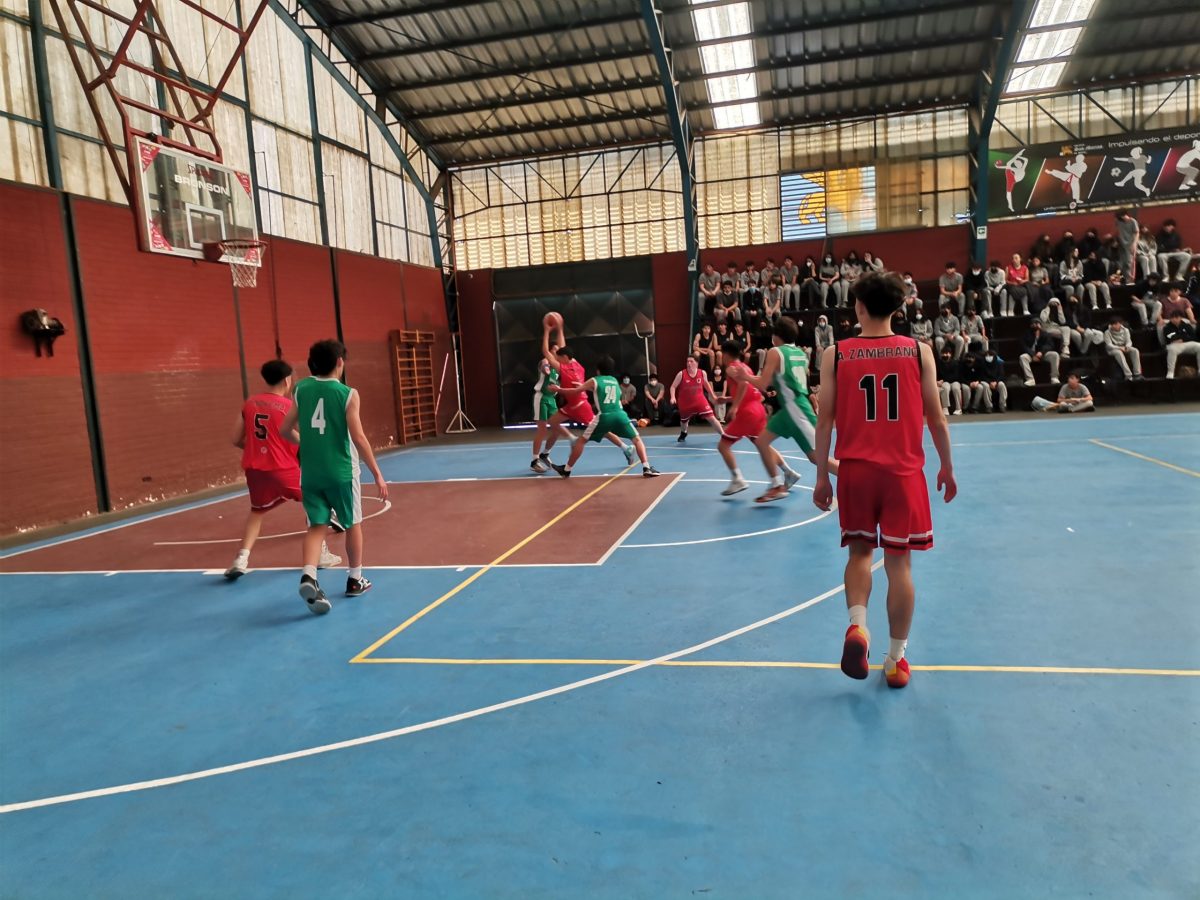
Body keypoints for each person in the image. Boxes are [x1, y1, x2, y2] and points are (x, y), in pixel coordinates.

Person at [811, 271, 956, 690]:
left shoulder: (835, 354)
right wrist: (945, 465)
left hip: (856, 471)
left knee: (859, 555)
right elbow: (936, 417)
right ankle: (895, 660)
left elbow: (824, 421)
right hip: (903, 473)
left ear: (858, 307)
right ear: (898, 308)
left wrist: (823, 475)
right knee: (899, 565)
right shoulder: (918, 352)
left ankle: (858, 626)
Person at [281, 340, 388, 614]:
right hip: (341, 471)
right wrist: (377, 473)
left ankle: (309, 576)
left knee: (317, 526)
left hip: (311, 472)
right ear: (340, 362)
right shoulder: (348, 394)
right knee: (353, 523)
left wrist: (305, 443)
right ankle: (355, 579)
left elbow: (284, 429)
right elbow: (359, 437)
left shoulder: (300, 389)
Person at [224, 359, 341, 579]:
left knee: (257, 512)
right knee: (317, 502)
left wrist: (260, 449)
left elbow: (235, 439)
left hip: (255, 469)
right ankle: (321, 554)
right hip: (283, 468)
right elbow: (302, 438)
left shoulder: (249, 403)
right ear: (288, 380)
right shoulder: (289, 406)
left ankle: (241, 558)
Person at [725, 317, 838, 503]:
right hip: (790, 409)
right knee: (761, 442)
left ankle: (859, 481)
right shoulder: (800, 353)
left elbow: (763, 383)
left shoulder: (775, 352)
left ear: (776, 336)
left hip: (796, 410)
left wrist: (745, 376)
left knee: (819, 459)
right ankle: (777, 485)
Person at [540, 322, 636, 466]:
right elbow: (563, 348)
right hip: (572, 404)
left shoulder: (563, 369)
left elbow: (546, 353)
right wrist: (560, 329)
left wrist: (547, 330)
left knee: (602, 430)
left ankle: (626, 448)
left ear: (564, 358)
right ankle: (546, 453)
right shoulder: (577, 365)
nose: (556, 357)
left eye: (559, 356)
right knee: (553, 423)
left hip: (580, 406)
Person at [550, 357, 660, 479]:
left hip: (605, 416)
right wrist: (584, 385)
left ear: (598, 370)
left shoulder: (594, 380)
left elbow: (576, 391)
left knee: (581, 441)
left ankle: (567, 470)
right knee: (636, 439)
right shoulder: (614, 381)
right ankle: (646, 467)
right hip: (620, 415)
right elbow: (605, 390)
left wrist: (559, 389)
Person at [716, 340, 801, 496]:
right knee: (763, 444)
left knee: (723, 445)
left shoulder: (730, 368)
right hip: (758, 409)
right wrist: (728, 399)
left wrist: (734, 407)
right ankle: (788, 472)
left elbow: (742, 385)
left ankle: (738, 479)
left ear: (726, 355)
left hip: (747, 412)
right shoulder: (745, 367)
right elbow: (750, 388)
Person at [531, 346, 572, 473]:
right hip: (541, 398)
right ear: (550, 351)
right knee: (542, 430)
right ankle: (535, 461)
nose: (556, 352)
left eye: (558, 350)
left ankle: (545, 454)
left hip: (551, 400)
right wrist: (547, 363)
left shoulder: (559, 368)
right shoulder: (546, 361)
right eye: (554, 349)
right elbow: (545, 367)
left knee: (557, 429)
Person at [670, 354, 724, 443]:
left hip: (700, 400)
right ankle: (684, 433)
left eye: (691, 361)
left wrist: (713, 395)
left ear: (697, 363)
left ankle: (723, 434)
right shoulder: (681, 374)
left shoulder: (702, 373)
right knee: (684, 422)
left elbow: (706, 384)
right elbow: (673, 386)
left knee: (712, 418)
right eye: (687, 361)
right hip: (685, 402)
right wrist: (672, 397)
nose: (689, 363)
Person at [1019, 320, 1061, 386]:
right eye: (1033, 324)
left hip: (1043, 354)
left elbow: (1050, 345)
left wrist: (1041, 352)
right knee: (1023, 357)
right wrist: (1033, 355)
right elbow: (1024, 346)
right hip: (1031, 355)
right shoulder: (1026, 334)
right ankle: (1030, 379)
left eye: (1037, 323)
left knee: (1055, 355)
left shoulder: (1045, 334)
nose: (1035, 325)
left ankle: (1054, 377)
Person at [1163, 311, 1200, 378]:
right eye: (1172, 318)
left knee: (1199, 346)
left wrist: (1182, 339)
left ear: (1180, 318)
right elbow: (1171, 338)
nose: (1174, 319)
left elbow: (1194, 337)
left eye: (1176, 317)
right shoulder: (1167, 328)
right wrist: (1185, 336)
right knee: (1172, 349)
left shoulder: (1187, 326)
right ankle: (1170, 373)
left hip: (1187, 344)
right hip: (1174, 345)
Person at [935, 345, 963, 416]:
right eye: (943, 353)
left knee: (956, 388)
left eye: (947, 353)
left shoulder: (955, 363)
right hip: (945, 382)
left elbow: (956, 376)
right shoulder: (939, 363)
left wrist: (944, 380)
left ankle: (958, 408)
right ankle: (945, 408)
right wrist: (937, 381)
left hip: (954, 381)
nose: (945, 355)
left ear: (950, 354)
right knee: (945, 388)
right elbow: (937, 374)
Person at [980, 348, 1008, 413]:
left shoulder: (999, 364)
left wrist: (996, 382)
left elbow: (1001, 375)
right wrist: (989, 382)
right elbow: (982, 376)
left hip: (996, 381)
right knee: (985, 385)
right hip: (987, 381)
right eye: (986, 356)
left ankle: (1002, 405)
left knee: (1002, 384)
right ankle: (989, 406)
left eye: (990, 355)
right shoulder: (983, 364)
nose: (988, 357)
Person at [1115, 209, 1140, 281]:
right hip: (1122, 244)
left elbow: (1137, 233)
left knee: (1130, 262)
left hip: (1130, 244)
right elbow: (1116, 230)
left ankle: (1131, 279)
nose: (1123, 218)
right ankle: (1125, 279)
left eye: (1123, 216)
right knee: (1122, 263)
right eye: (1121, 217)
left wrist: (1134, 243)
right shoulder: (1118, 221)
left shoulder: (1133, 221)